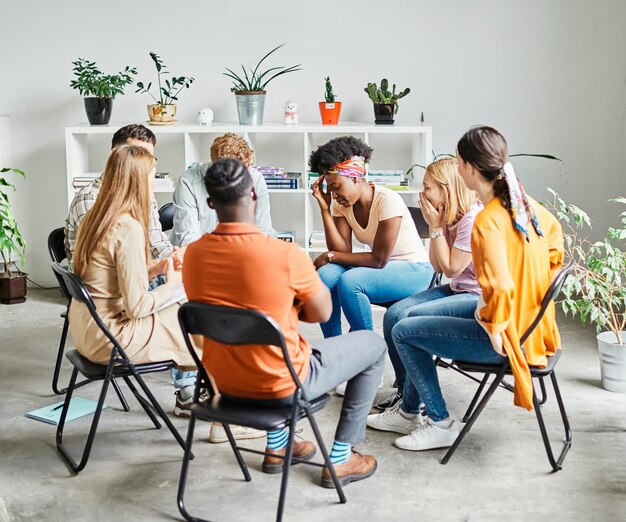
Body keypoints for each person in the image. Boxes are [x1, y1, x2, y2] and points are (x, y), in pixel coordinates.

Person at [182, 158, 386, 487]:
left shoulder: (192, 255)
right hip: (281, 386)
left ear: (210, 203)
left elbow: (222, 311)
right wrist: (288, 307)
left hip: (222, 385)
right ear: (254, 196)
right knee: (374, 345)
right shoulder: (284, 255)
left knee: (278, 345)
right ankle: (342, 458)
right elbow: (320, 313)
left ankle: (279, 446)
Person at [367, 125, 564, 453]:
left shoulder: (488, 220)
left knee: (403, 332)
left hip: (506, 336)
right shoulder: (524, 203)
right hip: (533, 326)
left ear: (471, 170)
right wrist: (533, 297)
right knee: (404, 322)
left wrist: (498, 329)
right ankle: (408, 412)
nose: (458, 169)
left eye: (459, 163)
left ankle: (440, 423)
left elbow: (498, 287)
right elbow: (555, 247)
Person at [63, 124, 195, 415]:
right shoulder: (127, 226)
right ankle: (220, 408)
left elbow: (105, 272)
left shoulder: (98, 215)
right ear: (136, 179)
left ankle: (200, 391)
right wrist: (170, 285)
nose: (155, 181)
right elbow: (137, 307)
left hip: (87, 328)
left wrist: (155, 268)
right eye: (151, 176)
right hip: (111, 337)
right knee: (198, 319)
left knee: (189, 312)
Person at [309, 136, 433, 394]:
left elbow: (378, 259)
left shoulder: (387, 200)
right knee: (326, 276)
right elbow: (341, 251)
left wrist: (330, 256)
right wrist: (324, 209)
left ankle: (367, 366)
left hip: (414, 269)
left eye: (336, 187)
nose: (334, 194)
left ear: (355, 177)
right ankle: (338, 362)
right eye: (330, 189)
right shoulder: (342, 204)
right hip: (381, 272)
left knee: (351, 282)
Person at [369, 158, 482, 413]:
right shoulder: (450, 218)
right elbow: (438, 267)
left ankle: (414, 402)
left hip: (476, 294)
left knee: (408, 319)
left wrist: (434, 227)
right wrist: (438, 227)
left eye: (428, 187)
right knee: (393, 314)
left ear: (446, 189)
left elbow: (452, 268)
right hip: (458, 288)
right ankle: (403, 390)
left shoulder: (472, 219)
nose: (423, 193)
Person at [171, 132, 274, 246]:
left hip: (241, 253)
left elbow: (264, 231)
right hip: (199, 256)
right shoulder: (188, 182)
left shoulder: (256, 179)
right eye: (240, 175)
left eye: (249, 167)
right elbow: (189, 241)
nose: (246, 179)